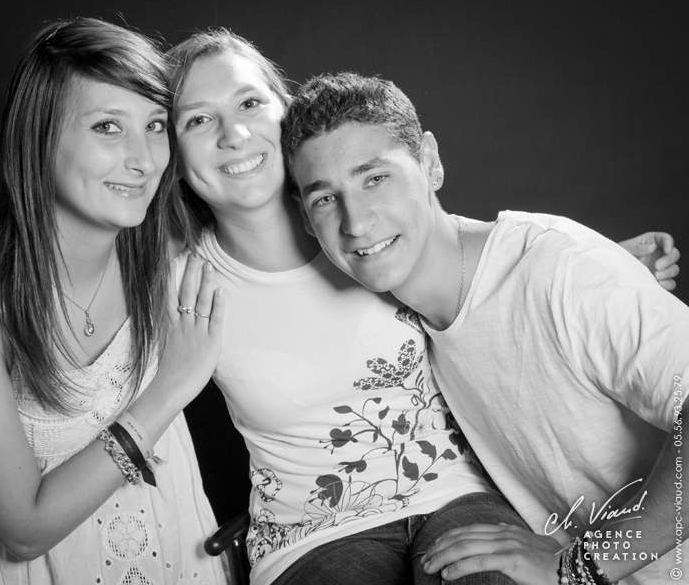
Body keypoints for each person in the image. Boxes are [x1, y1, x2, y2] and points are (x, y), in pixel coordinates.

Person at [164, 29, 681, 585]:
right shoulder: (385, 278)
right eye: (324, 198)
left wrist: (589, 269)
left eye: (248, 103)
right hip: (323, 539)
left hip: (541, 534)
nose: (357, 223)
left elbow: (518, 276)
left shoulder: (544, 267)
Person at [0, 18, 225, 585]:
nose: (145, 159)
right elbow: (22, 527)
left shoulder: (165, 248)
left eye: (155, 126)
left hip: (174, 550)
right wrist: (174, 384)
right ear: (38, 137)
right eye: (108, 127)